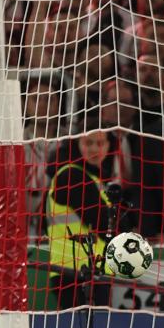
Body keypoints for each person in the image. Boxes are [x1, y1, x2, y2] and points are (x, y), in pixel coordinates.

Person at [47, 130, 130, 308]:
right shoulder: (71, 176)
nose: (94, 149)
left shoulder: (97, 179)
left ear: (108, 147)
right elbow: (102, 224)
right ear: (78, 145)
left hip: (96, 271)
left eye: (100, 144)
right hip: (72, 272)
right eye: (88, 143)